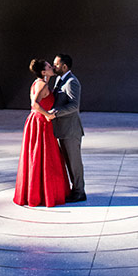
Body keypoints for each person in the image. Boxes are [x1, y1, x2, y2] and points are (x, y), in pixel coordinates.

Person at [13, 59, 70, 207]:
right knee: (46, 158)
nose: (52, 67)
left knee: (36, 157)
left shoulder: (36, 82)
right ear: (44, 72)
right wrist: (48, 115)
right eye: (49, 67)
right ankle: (46, 194)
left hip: (35, 122)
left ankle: (34, 193)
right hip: (40, 123)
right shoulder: (43, 84)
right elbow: (35, 104)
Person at [47, 53, 86, 202]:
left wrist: (55, 113)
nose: (53, 66)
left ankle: (79, 192)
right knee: (68, 162)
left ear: (64, 66)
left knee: (74, 163)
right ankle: (74, 190)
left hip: (70, 130)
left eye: (56, 64)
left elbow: (74, 106)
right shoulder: (59, 79)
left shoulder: (71, 82)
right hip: (62, 129)